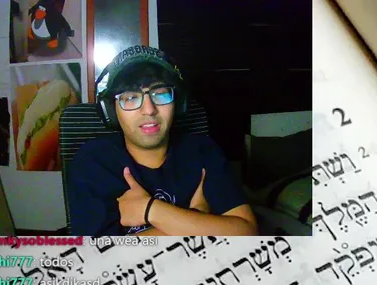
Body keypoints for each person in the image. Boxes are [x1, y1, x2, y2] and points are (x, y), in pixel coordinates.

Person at [65, 45, 257, 236]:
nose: (149, 110)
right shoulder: (92, 162)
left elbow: (247, 233)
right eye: (130, 98)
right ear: (111, 111)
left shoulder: (202, 150)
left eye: (160, 94)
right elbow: (100, 253)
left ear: (178, 104)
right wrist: (196, 220)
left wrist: (151, 210)